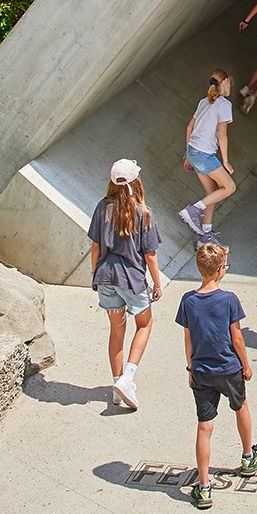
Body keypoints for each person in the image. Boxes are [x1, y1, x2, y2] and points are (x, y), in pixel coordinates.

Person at [177, 239, 257, 508]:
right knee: (241, 407)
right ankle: (248, 457)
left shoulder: (188, 301)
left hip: (201, 370)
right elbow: (236, 338)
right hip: (229, 368)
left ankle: (204, 487)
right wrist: (246, 365)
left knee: (205, 426)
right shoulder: (228, 300)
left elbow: (188, 339)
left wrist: (191, 367)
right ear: (219, 271)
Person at [87, 159, 162, 408]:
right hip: (131, 278)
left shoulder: (102, 208)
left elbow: (95, 246)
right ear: (136, 181)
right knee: (145, 324)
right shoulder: (143, 212)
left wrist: (94, 273)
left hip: (106, 275)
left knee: (117, 330)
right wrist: (157, 284)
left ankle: (117, 386)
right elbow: (150, 255)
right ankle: (128, 378)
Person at [180, 69, 236, 239]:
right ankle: (193, 210)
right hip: (204, 155)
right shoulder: (225, 105)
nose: (230, 88)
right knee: (230, 187)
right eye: (230, 84)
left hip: (194, 152)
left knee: (212, 193)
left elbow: (189, 127)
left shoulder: (203, 102)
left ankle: (205, 235)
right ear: (225, 82)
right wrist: (225, 161)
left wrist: (188, 154)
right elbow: (222, 135)